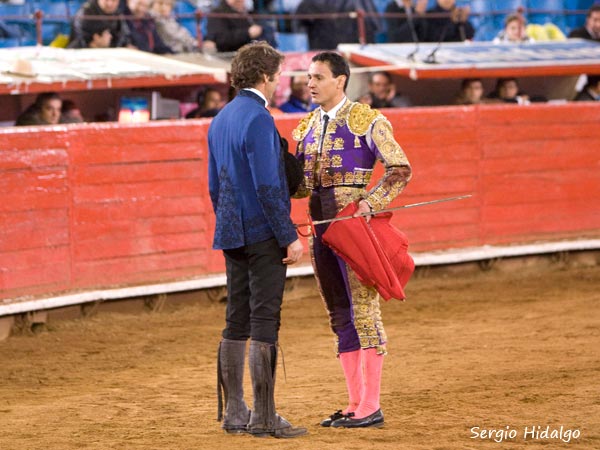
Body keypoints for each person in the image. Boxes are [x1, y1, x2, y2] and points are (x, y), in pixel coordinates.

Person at [292, 51, 412, 428]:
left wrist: (371, 203)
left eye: (318, 77)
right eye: (309, 77)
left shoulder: (366, 120)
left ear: (340, 80)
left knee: (363, 311)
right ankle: (355, 402)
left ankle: (371, 405)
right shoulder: (306, 128)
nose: (310, 83)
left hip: (354, 229)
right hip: (320, 229)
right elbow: (301, 189)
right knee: (339, 312)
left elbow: (399, 169)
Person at [208, 41, 307, 439]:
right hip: (263, 233)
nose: (279, 83)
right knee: (265, 320)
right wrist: (288, 235)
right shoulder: (260, 119)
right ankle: (264, 416)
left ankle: (235, 411)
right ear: (265, 77)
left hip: (232, 231)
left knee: (236, 319)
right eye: (278, 76)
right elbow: (268, 185)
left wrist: (228, 224)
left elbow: (214, 186)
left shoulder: (221, 118)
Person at [295, 0, 380, 50]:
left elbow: (373, 24)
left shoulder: (360, 1)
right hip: (325, 52)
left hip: (351, 51)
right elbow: (298, 25)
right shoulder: (311, 3)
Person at [206, 0, 276, 53]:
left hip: (253, 55)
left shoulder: (250, 13)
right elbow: (220, 39)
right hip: (229, 57)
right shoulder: (217, 13)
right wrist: (247, 33)